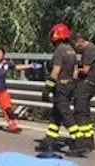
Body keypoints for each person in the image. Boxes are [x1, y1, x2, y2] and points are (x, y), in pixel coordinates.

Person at [36, 23, 88, 157]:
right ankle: (49, 140)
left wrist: (48, 87)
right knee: (56, 114)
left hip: (61, 86)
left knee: (66, 115)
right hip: (70, 85)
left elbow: (56, 70)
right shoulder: (71, 49)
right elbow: (76, 70)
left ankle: (79, 143)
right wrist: (73, 84)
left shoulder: (59, 50)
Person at [72, 32, 95, 152]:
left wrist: (73, 69)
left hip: (86, 85)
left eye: (76, 44)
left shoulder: (89, 50)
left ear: (80, 41)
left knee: (80, 113)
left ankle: (83, 143)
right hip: (90, 85)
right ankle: (89, 142)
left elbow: (85, 70)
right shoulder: (92, 49)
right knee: (84, 113)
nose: (75, 47)